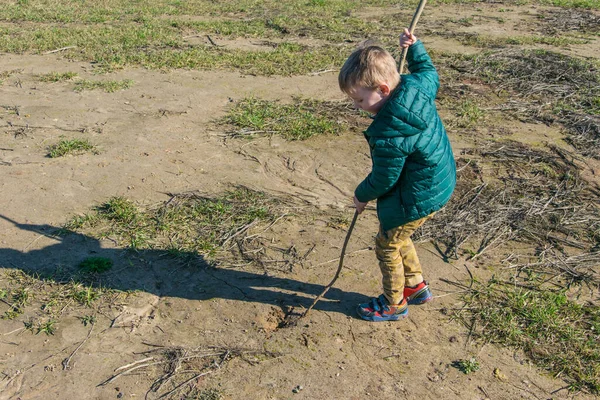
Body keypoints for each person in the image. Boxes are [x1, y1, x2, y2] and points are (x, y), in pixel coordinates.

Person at [338, 29, 456, 322]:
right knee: (400, 236)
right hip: (438, 182)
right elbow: (428, 71)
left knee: (386, 244)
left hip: (416, 195)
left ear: (383, 89)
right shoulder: (417, 85)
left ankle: (394, 303)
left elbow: (384, 179)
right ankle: (415, 287)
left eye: (360, 101)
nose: (357, 107)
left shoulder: (389, 131)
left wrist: (360, 195)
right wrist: (415, 48)